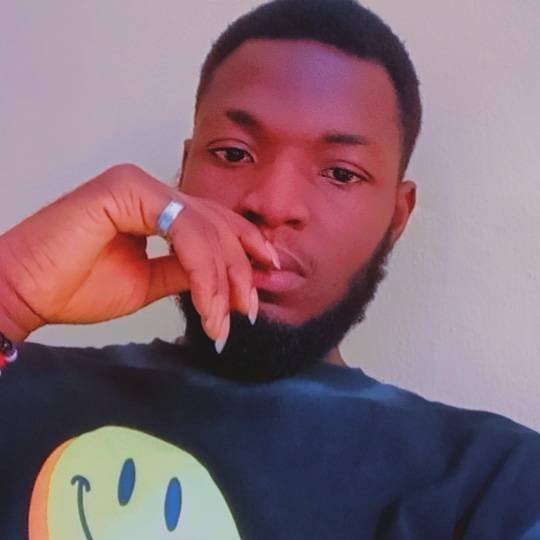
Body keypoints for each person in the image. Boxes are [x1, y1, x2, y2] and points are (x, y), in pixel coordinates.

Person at [0, 0, 539, 538]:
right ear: (184, 172)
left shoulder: (498, 484)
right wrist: (9, 296)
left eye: (341, 173)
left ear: (397, 217)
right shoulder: (18, 388)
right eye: (233, 153)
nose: (274, 205)